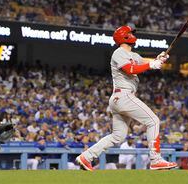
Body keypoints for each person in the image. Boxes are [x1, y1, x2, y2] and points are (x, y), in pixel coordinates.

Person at [76, 25, 177, 170]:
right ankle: (155, 159)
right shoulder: (118, 52)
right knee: (153, 121)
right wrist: (151, 64)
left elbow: (145, 63)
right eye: (130, 33)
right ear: (124, 36)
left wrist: (160, 59)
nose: (133, 34)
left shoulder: (133, 55)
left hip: (120, 98)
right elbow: (130, 69)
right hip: (123, 95)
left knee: (118, 136)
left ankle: (86, 157)